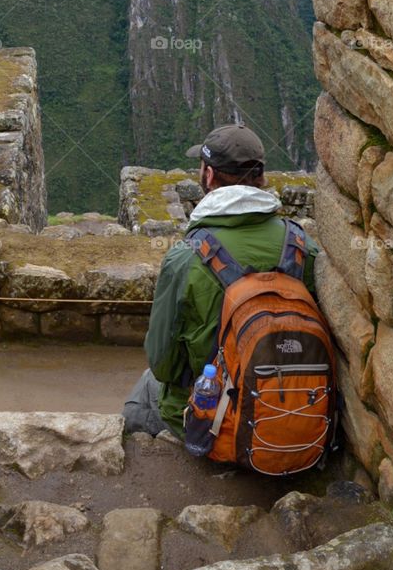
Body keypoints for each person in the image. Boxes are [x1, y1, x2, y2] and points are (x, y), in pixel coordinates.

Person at [123, 123, 319, 439]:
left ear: (209, 176)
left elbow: (163, 364)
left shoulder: (185, 258)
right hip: (296, 414)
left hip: (214, 420)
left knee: (144, 391)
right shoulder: (302, 248)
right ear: (261, 178)